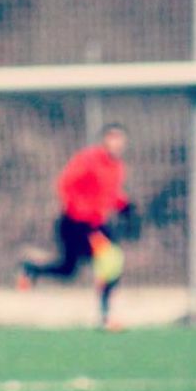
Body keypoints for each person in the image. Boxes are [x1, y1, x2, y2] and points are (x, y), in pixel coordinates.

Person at [17, 123, 138, 330]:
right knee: (102, 262)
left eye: (119, 139)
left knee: (83, 267)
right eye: (112, 137)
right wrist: (81, 212)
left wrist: (125, 207)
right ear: (104, 140)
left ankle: (31, 269)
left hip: (95, 225)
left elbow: (109, 194)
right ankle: (105, 317)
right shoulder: (88, 159)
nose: (116, 143)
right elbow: (65, 184)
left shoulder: (117, 167)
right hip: (74, 224)